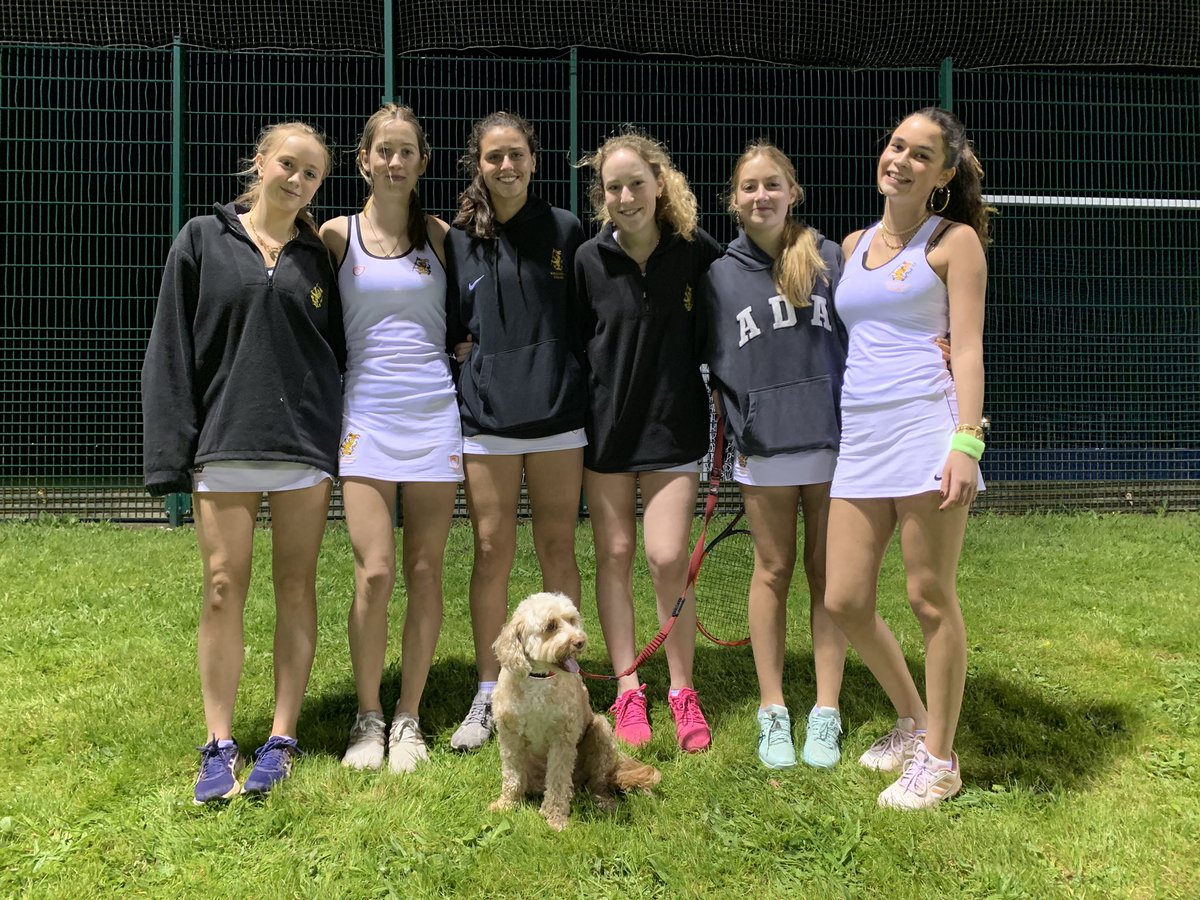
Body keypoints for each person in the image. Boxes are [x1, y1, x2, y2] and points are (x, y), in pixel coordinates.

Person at [142, 122, 344, 803]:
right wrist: (172, 454)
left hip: (301, 450)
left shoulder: (321, 257)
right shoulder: (201, 239)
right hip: (224, 444)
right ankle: (219, 744)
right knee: (223, 586)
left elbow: (343, 352)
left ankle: (282, 738)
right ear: (260, 163)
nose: (296, 179)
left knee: (296, 586)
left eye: (311, 173)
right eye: (287, 164)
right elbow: (170, 349)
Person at [824, 107, 990, 809]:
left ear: (944, 174)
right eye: (895, 145)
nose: (900, 160)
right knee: (845, 599)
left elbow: (971, 346)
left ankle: (941, 761)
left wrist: (966, 441)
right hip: (859, 441)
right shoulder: (854, 243)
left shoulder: (955, 243)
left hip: (928, 436)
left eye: (921, 155)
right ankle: (914, 719)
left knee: (929, 598)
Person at [700, 142, 850, 770]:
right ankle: (772, 710)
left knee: (829, 579)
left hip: (836, 446)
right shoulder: (717, 277)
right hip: (765, 450)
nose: (761, 196)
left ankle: (826, 710)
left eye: (772, 185)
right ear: (733, 200)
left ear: (793, 191)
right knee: (773, 571)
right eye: (749, 188)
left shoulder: (832, 260)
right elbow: (708, 366)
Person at [319, 105, 460, 773]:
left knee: (425, 571)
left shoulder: (441, 235)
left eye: (408, 151)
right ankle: (368, 717)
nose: (396, 162)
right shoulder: (335, 237)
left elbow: (471, 314)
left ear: (422, 163)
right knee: (374, 572)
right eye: (385, 151)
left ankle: (409, 717)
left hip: (435, 418)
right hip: (366, 420)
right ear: (365, 161)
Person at [444, 111, 588, 751]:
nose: (506, 166)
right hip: (488, 422)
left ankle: (569, 677)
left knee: (559, 550)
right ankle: (488, 690)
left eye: (517, 155)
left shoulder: (565, 229)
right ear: (479, 163)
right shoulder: (457, 240)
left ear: (534, 159)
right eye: (494, 156)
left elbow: (586, 320)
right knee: (491, 551)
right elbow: (450, 324)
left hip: (558, 418)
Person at [574, 130, 721, 752]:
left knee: (666, 559)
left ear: (660, 185)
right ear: (602, 196)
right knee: (614, 556)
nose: (627, 196)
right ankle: (628, 687)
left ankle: (681, 689)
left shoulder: (696, 251)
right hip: (606, 435)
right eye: (614, 187)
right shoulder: (586, 260)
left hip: (673, 429)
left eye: (637, 183)